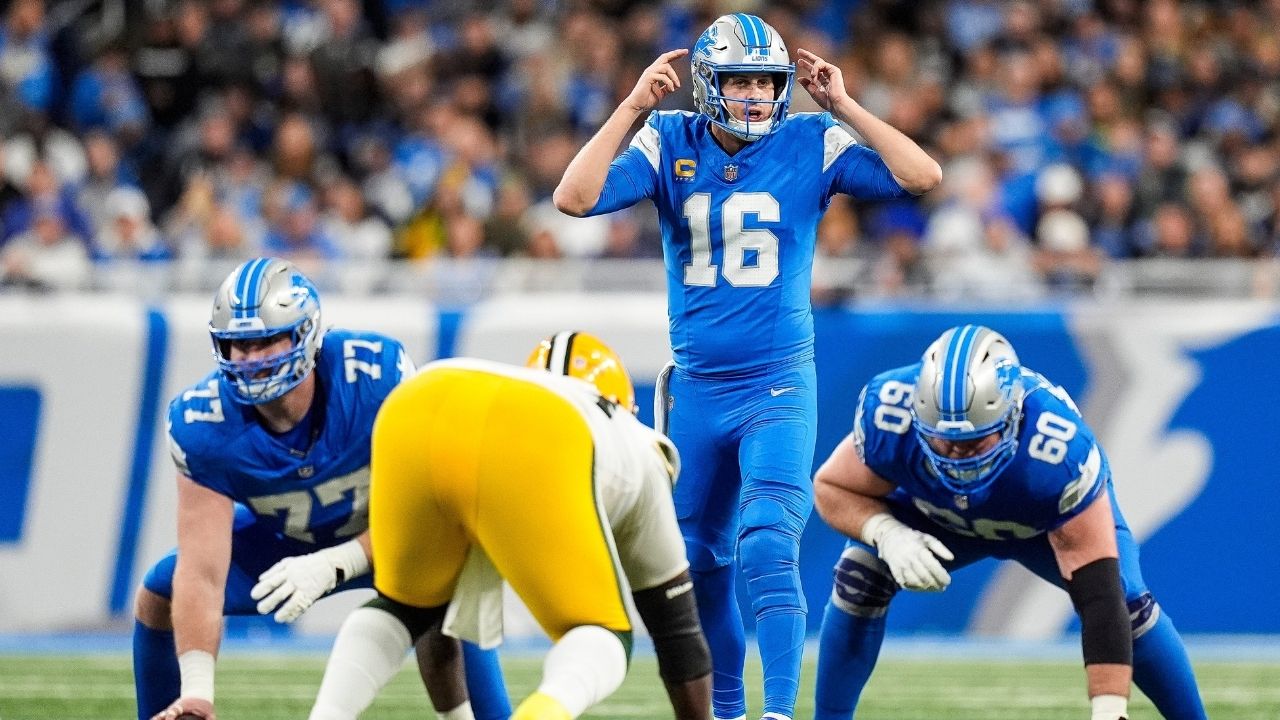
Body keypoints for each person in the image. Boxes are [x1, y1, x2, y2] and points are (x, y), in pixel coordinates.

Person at [552, 13, 942, 720]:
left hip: (777, 386)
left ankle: (778, 713)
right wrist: (632, 105)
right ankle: (727, 713)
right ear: (707, 87)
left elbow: (921, 175)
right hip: (698, 390)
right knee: (698, 566)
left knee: (767, 544)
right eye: (741, 81)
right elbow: (573, 198)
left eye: (767, 80)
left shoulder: (809, 139)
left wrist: (845, 105)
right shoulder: (667, 138)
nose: (759, 95)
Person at [132, 257, 510, 720]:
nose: (250, 360)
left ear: (305, 336)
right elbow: (202, 572)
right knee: (162, 590)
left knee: (449, 592)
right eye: (237, 345)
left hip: (393, 537)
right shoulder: (203, 423)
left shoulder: (374, 377)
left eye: (266, 340)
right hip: (289, 542)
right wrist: (198, 694)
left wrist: (338, 562)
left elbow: (433, 510)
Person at [307, 331, 712, 720]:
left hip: (419, 397)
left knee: (405, 607)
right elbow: (677, 631)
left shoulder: (507, 395)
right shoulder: (633, 442)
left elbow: (436, 618)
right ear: (622, 405)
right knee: (604, 631)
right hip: (547, 433)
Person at [812, 325, 1207, 720]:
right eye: (943, 441)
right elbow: (831, 486)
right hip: (938, 516)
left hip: (1042, 528)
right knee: (859, 575)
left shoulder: (1056, 451)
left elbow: (1100, 597)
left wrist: (1110, 710)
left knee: (1128, 603)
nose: (957, 457)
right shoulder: (890, 412)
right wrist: (886, 533)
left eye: (973, 443)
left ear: (1011, 416)